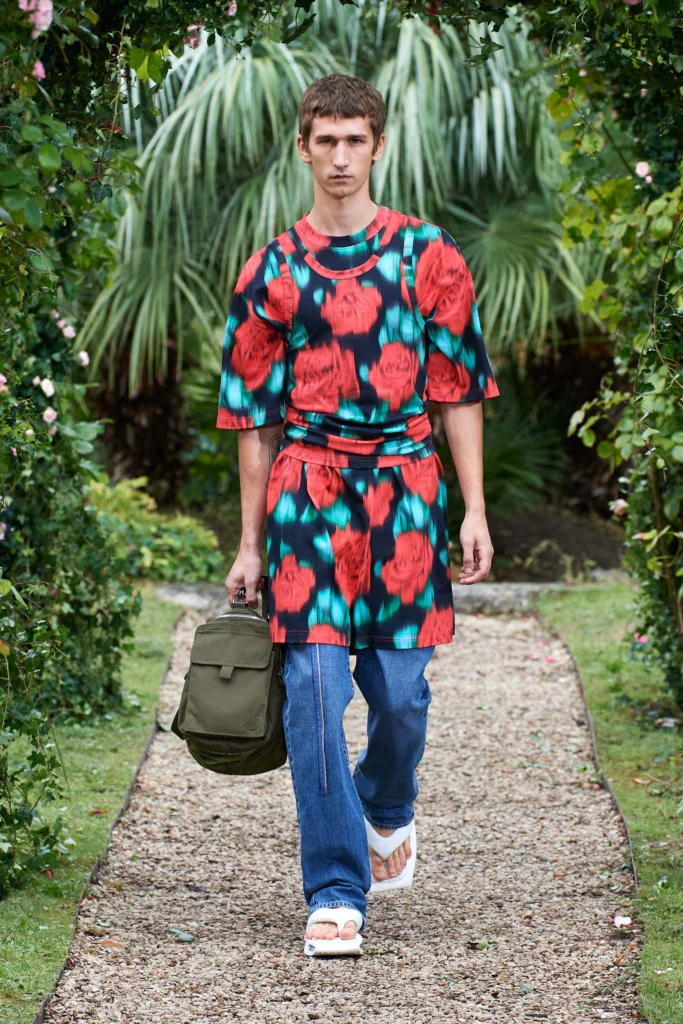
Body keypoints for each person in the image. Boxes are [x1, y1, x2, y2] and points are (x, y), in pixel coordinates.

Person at [217, 73, 500, 957]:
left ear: (377, 146)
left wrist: (474, 509)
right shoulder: (271, 269)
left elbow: (458, 389)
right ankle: (336, 889)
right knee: (311, 690)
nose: (339, 156)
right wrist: (249, 543)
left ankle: (385, 798)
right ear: (302, 148)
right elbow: (253, 419)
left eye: (354, 140)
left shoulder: (428, 255)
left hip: (407, 489)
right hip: (306, 488)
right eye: (325, 140)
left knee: (400, 694)